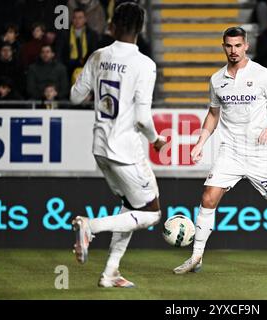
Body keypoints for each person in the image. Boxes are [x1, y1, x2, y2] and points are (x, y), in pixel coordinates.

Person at [173, 26, 267, 275]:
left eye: (238, 45)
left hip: (261, 152)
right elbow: (213, 114)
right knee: (208, 197)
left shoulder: (262, 74)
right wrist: (200, 143)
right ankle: (196, 257)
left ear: (246, 46)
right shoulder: (217, 80)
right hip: (231, 151)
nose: (233, 51)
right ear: (223, 47)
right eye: (229, 46)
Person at [69, 2, 166, 288]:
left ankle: (111, 271)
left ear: (112, 26)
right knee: (151, 214)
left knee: (130, 207)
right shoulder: (144, 64)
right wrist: (156, 140)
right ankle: (91, 226)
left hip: (100, 147)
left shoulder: (98, 56)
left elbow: (75, 97)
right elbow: (142, 117)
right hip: (125, 150)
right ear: (141, 29)